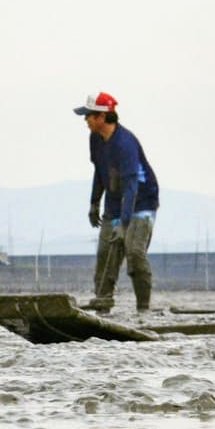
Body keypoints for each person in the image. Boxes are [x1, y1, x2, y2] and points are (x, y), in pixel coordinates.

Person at [74, 91, 159, 312]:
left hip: (140, 203)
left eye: (89, 116)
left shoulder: (125, 144)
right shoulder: (95, 139)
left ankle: (144, 310)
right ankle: (102, 307)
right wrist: (94, 203)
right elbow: (100, 172)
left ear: (101, 117)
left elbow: (131, 187)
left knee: (134, 252)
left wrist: (124, 223)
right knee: (105, 257)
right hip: (113, 204)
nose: (86, 120)